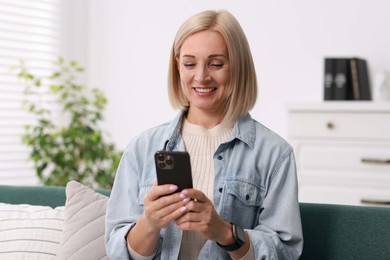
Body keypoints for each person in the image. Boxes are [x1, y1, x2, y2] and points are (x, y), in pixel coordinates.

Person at [105, 9, 303, 260]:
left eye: (216, 63)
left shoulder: (275, 154)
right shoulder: (142, 148)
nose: (201, 76)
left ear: (238, 67)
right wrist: (150, 222)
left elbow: (285, 251)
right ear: (177, 66)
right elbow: (116, 251)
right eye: (189, 63)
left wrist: (225, 232)